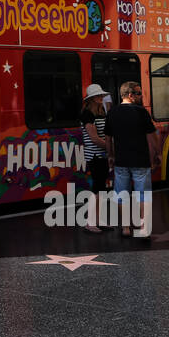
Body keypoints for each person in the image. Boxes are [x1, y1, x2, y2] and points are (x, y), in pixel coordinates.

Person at [105, 81, 159, 236]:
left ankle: (126, 228)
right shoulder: (141, 112)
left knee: (122, 194)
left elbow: (108, 138)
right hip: (140, 160)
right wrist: (158, 153)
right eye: (139, 93)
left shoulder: (113, 112)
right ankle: (143, 227)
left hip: (121, 160)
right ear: (130, 95)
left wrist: (110, 155)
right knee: (143, 194)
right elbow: (152, 136)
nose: (142, 96)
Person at [79, 84, 112, 232]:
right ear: (91, 98)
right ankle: (90, 222)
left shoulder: (101, 111)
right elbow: (93, 138)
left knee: (101, 189)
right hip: (94, 155)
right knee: (97, 188)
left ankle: (98, 220)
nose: (101, 97)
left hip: (102, 155)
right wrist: (111, 148)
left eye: (101, 95)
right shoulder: (87, 114)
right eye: (98, 96)